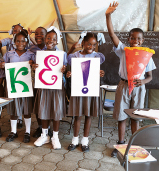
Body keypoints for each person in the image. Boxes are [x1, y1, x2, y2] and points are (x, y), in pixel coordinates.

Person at [105, 2, 156, 157]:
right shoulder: (123, 51)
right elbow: (112, 35)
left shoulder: (146, 56)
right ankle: (121, 144)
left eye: (139, 39)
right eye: (132, 38)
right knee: (122, 117)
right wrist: (108, 16)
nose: (135, 41)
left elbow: (150, 77)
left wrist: (143, 82)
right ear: (128, 39)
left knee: (136, 117)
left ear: (142, 40)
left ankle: (135, 146)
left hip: (139, 88)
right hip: (123, 85)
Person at [66, 32, 105, 152]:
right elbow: (69, 69)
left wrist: (101, 73)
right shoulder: (75, 56)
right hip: (78, 89)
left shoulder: (97, 56)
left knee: (88, 115)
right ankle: (75, 139)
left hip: (91, 89)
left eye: (94, 45)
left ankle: (85, 140)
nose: (91, 47)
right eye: (88, 44)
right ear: (83, 43)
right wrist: (69, 74)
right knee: (77, 115)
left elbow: (97, 72)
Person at [33, 26, 67, 149]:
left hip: (57, 87)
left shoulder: (61, 54)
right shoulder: (40, 54)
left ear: (57, 41)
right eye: (48, 38)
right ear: (45, 38)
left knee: (56, 111)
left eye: (53, 39)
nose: (50, 41)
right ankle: (44, 135)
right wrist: (34, 68)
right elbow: (36, 69)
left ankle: (55, 137)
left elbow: (66, 69)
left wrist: (64, 69)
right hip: (44, 86)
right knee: (44, 110)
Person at [0, 29, 35, 143]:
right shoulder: (9, 54)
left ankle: (27, 131)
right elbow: (4, 68)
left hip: (26, 85)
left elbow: (36, 68)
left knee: (26, 108)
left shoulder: (31, 55)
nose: (21, 43)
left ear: (27, 42)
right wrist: (3, 66)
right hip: (13, 85)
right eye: (18, 41)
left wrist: (33, 65)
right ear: (14, 42)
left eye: (23, 41)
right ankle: (13, 131)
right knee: (13, 108)